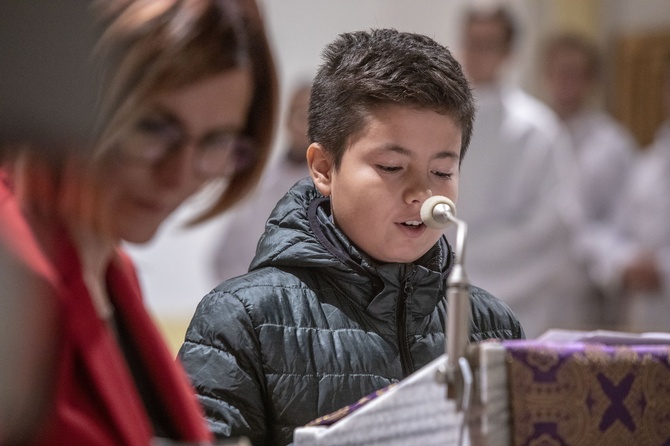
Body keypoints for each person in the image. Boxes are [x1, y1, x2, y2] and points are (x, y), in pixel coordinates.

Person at [178, 28, 525, 446]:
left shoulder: (493, 326)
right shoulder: (242, 321)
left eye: (442, 172)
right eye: (392, 167)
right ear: (324, 168)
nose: (422, 192)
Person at [0, 0, 278, 444]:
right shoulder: (14, 260)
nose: (177, 175)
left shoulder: (114, 270)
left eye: (215, 142)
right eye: (152, 128)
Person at [454, 4, 594, 338]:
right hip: (442, 291)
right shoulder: (439, 123)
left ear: (508, 52)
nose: (477, 54)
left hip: (516, 300)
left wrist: (471, 264)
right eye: (472, 42)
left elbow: (552, 225)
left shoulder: (537, 130)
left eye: (488, 44)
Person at [540, 32, 640, 328]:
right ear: (546, 75)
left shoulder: (613, 145)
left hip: (589, 295)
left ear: (591, 80)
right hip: (534, 290)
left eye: (575, 73)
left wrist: (601, 253)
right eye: (559, 71)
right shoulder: (529, 138)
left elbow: (626, 223)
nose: (566, 81)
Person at [212, 80, 312, 282]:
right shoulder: (260, 182)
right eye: (301, 114)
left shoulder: (337, 189)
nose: (307, 126)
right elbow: (225, 257)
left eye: (316, 118)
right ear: (286, 120)